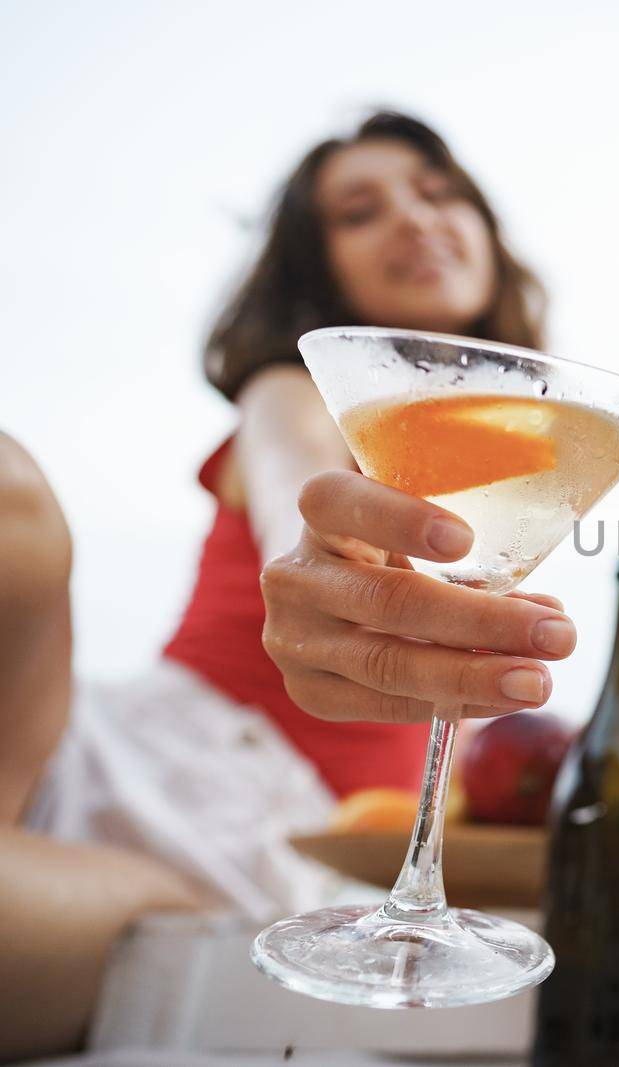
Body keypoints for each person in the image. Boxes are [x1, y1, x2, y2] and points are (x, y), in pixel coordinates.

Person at [0, 112, 576, 1061]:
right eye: (360, 210)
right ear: (319, 266)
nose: (415, 220)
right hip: (168, 766)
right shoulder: (294, 391)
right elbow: (297, 486)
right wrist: (318, 549)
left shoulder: (527, 461)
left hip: (284, 853)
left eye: (439, 191)